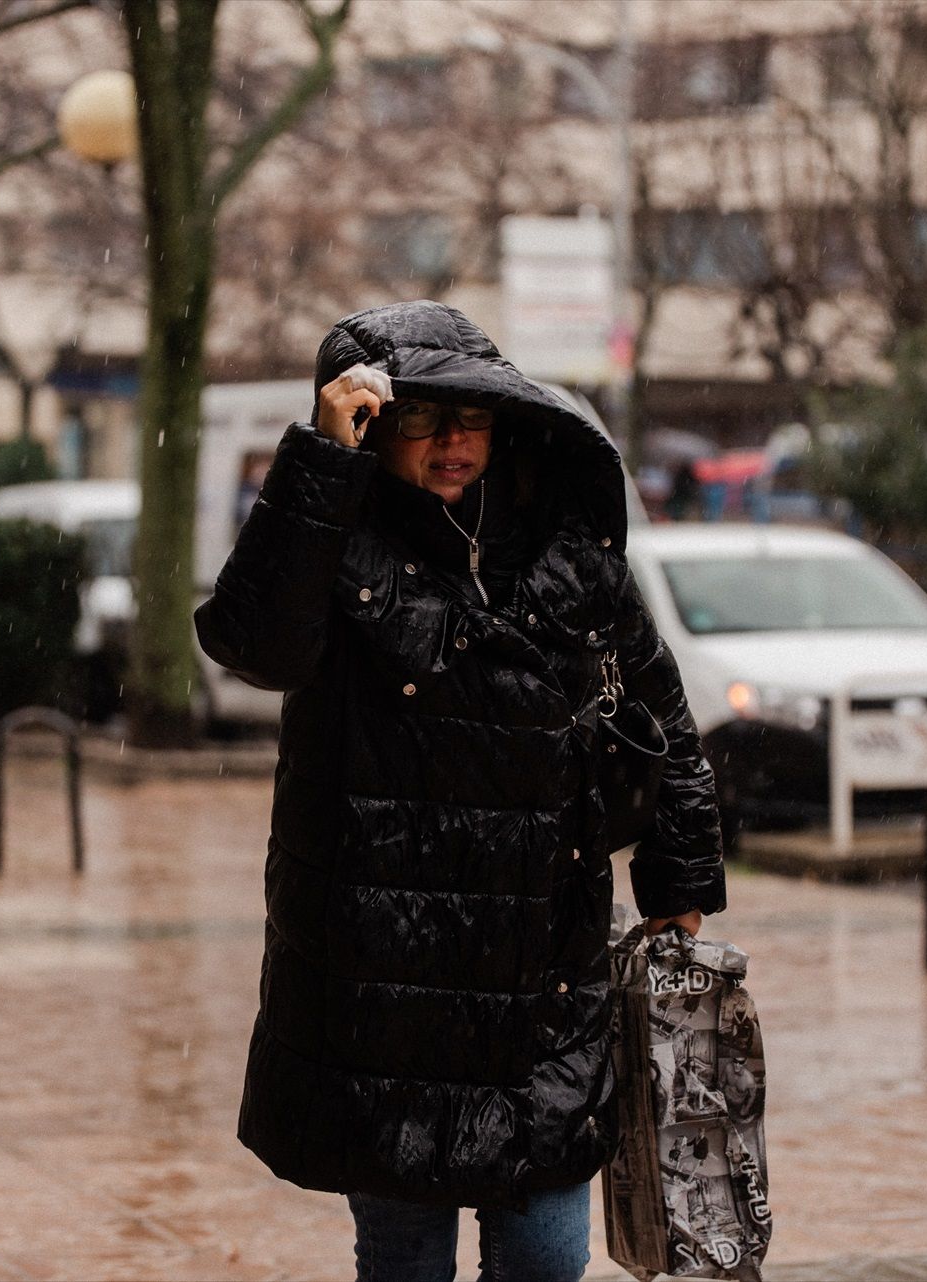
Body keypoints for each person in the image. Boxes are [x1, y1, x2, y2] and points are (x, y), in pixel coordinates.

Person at [194, 301, 726, 1282]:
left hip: (546, 975)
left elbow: (664, 713)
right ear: (374, 428)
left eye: (469, 418)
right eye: (420, 421)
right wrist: (319, 461)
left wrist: (678, 880)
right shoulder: (334, 548)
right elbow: (252, 642)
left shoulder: (571, 557)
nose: (450, 444)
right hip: (387, 982)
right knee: (405, 1262)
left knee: (545, 1259)